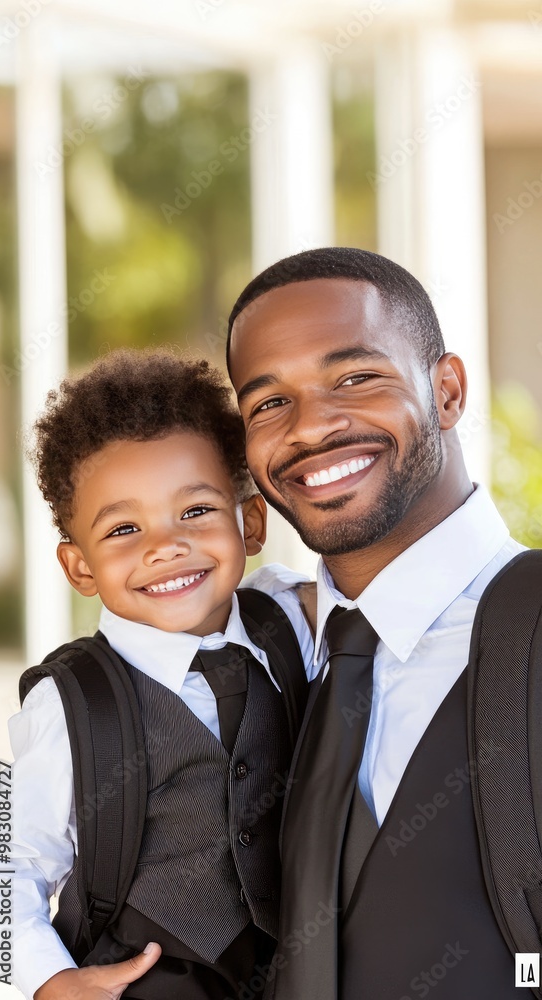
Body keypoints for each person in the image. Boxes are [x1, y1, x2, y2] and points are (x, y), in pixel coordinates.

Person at [226, 246, 529, 999]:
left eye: (356, 378)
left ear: (448, 390)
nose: (311, 428)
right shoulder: (265, 649)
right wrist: (29, 968)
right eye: (268, 402)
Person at [0, 348, 313, 1000]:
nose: (164, 546)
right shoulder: (70, 703)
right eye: (124, 528)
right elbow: (1, 862)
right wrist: (48, 981)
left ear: (249, 523)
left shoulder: (292, 622)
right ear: (79, 568)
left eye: (194, 511)